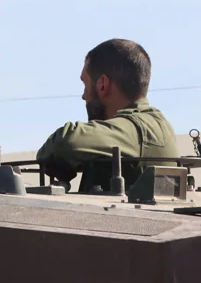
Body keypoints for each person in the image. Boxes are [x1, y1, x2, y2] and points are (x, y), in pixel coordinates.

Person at [36, 38, 179, 192]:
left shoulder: (141, 129)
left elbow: (66, 141)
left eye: (85, 84)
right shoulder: (154, 123)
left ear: (103, 84)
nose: (84, 96)